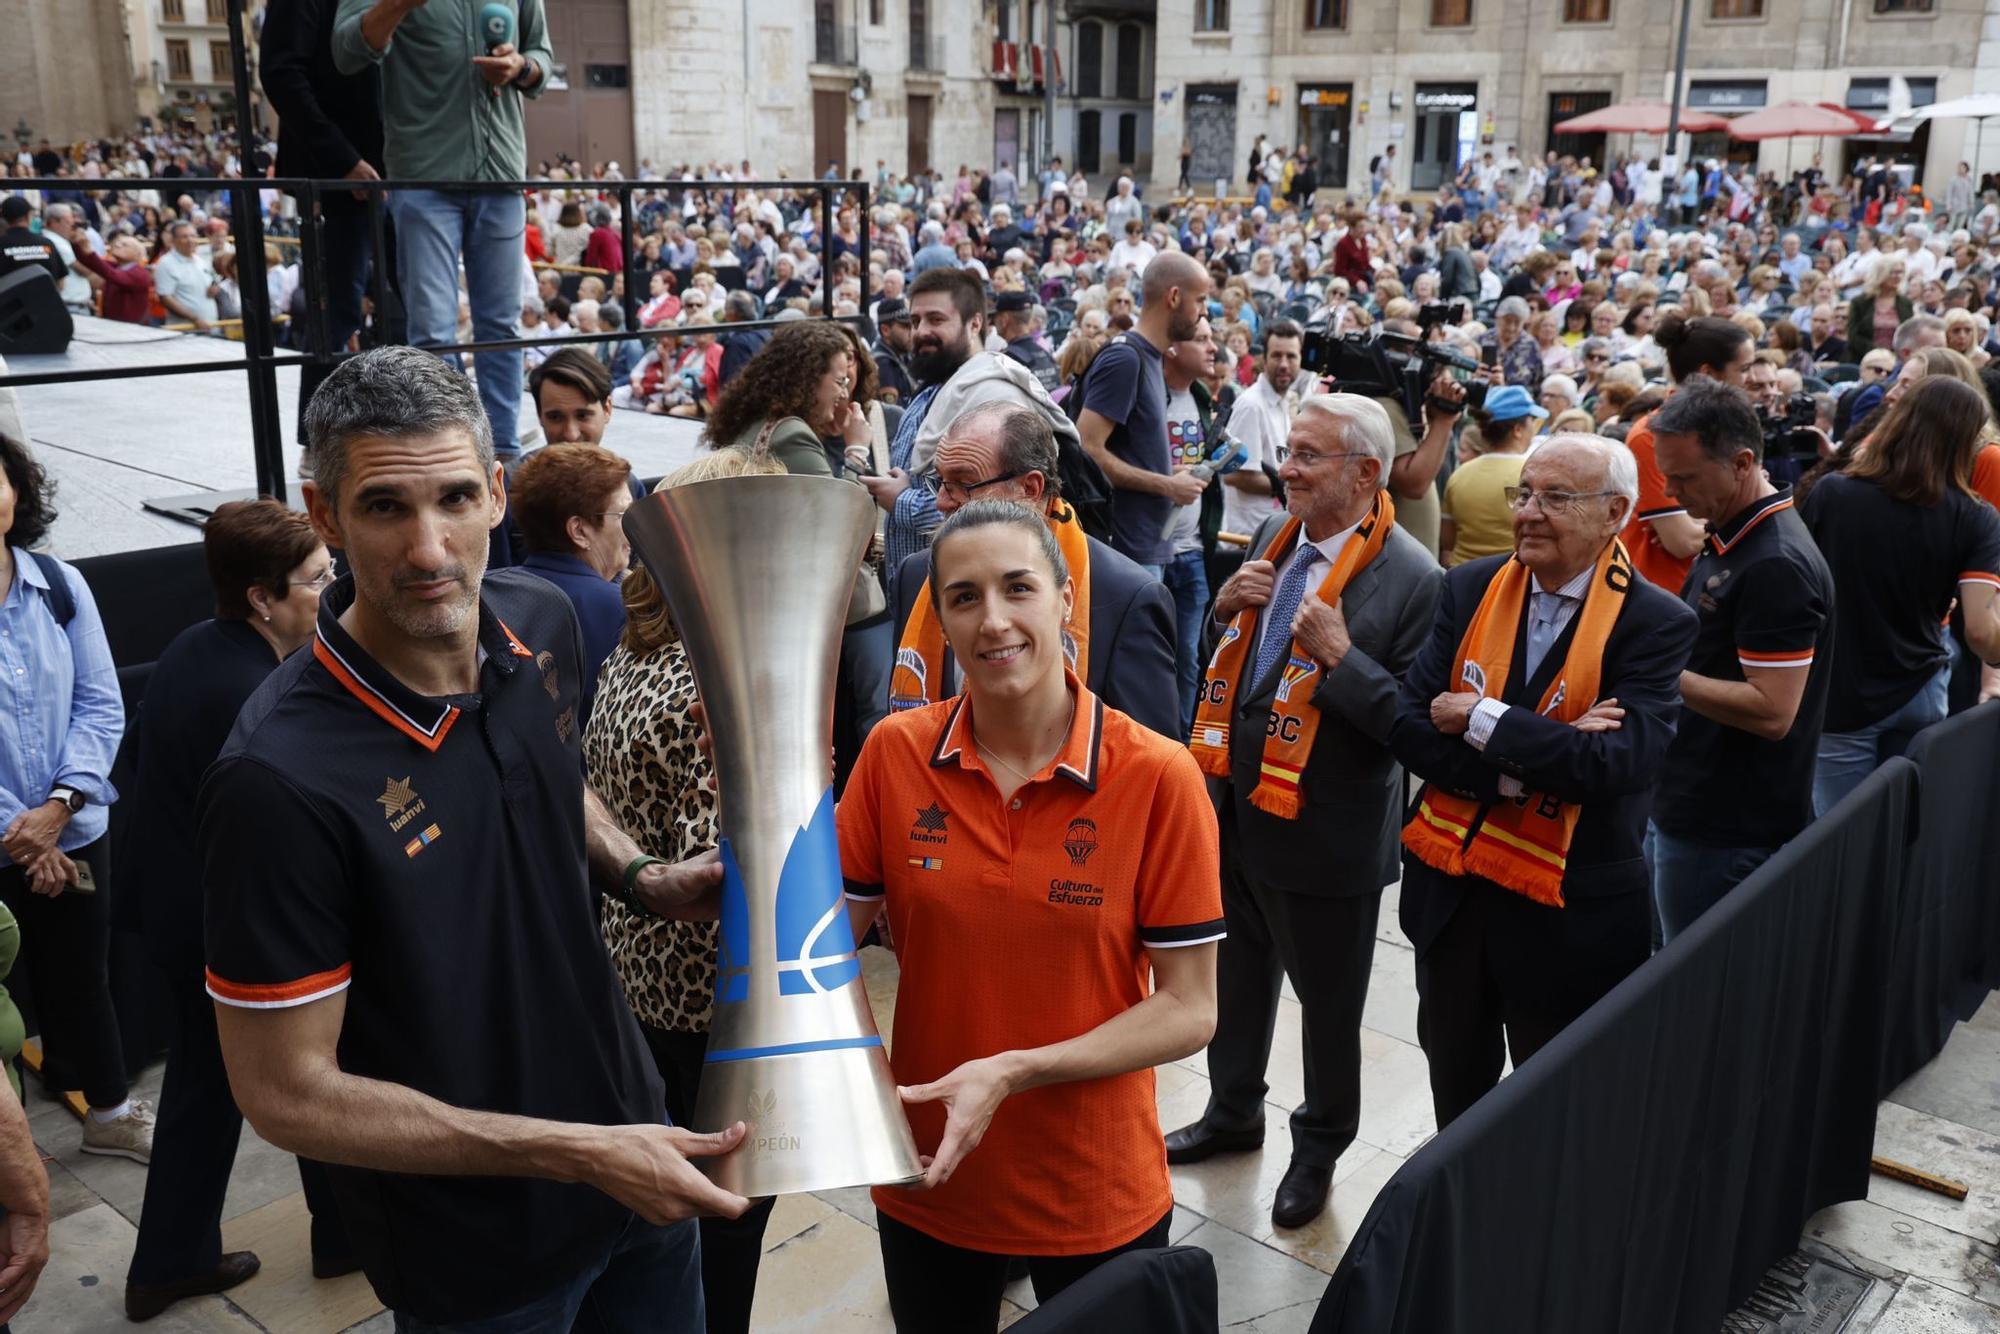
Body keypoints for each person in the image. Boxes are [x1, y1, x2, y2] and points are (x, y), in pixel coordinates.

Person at [200, 347, 749, 1331]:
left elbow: (547, 776)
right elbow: (285, 1091)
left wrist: (643, 874)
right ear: (323, 514)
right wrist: (570, 1148)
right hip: (482, 1252)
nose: (428, 547)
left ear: (496, 492)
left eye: (455, 497)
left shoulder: (537, 620)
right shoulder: (275, 779)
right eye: (383, 507)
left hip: (639, 1155)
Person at [839, 499, 1222, 1332]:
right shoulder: (895, 755)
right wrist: (763, 813)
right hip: (931, 1175)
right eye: (965, 597)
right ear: (938, 617)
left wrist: (1016, 1069)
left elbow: (1191, 1009)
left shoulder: (1158, 777)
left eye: (1018, 587)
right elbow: (816, 944)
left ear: (1064, 599)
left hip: (1094, 1187)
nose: (994, 620)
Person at [1165, 394, 1442, 1229]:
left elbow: (1414, 729)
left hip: (1329, 833)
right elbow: (1241, 669)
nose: (1286, 467)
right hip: (1239, 810)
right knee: (1238, 980)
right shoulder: (1270, 539)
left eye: (1309, 455)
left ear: (1366, 471)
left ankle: (1318, 1146)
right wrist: (1221, 610)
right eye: (1288, 450)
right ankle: (1232, 1112)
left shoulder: (1416, 577)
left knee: (1328, 1009)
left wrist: (1344, 661)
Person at [1393, 434, 1698, 1128]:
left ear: (1616, 512)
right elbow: (1409, 727)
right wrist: (1528, 765)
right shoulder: (1469, 587)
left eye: (1555, 498)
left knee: (1560, 1115)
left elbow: (1616, 766)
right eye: (1524, 493)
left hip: (1570, 918)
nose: (1528, 512)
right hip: (1456, 902)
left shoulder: (1656, 620)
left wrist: (1480, 716)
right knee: (1456, 1100)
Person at [122, 501, 355, 1319]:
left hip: (180, 916)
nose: (332, 593)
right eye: (319, 580)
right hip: (226, 932)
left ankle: (184, 1255)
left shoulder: (195, 650)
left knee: (219, 1087)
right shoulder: (256, 693)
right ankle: (327, 1237)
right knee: (305, 1074)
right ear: (263, 598)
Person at [585, 447, 785, 1334]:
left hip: (640, 976)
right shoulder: (715, 677)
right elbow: (729, 866)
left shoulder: (632, 652)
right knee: (731, 1215)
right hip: (717, 1001)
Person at [0, 431, 152, 1160]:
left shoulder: (58, 584)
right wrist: (20, 831)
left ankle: (110, 1114)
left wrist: (58, 810)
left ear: (17, 492)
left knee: (82, 978)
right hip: (13, 838)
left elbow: (101, 704)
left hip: (75, 824)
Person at [1645, 380, 1835, 942]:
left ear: (1742, 463)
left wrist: (1658, 673)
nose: (1674, 493)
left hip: (1725, 826)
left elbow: (1773, 711)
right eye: (1667, 476)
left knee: (1691, 988)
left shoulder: (1774, 563)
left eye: (1684, 478)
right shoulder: (1734, 532)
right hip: (1693, 804)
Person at [334, 0, 554, 457]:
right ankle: (449, 450)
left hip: (502, 176)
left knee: (501, 327)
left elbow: (542, 62)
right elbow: (347, 51)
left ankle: (505, 451)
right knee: (433, 330)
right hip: (424, 175)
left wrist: (519, 66)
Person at [889, 403, 1178, 739]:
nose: (941, 501)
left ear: (1030, 489)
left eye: (963, 484)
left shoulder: (1125, 597)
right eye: (940, 481)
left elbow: (1152, 763)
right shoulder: (916, 576)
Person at [1799, 377, 2000, 814]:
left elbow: (1801, 591)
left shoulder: (1832, 494)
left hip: (1841, 697)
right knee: (1910, 832)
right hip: (1921, 687)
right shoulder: (1976, 517)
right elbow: (1983, 633)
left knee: (1841, 842)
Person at [260, 0, 384, 450]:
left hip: (399, 167)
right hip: (335, 175)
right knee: (335, 309)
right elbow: (281, 73)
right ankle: (318, 443)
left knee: (400, 306)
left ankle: (406, 430)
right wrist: (343, 160)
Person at [1076, 251, 1212, 573]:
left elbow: (1128, 450)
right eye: (1201, 300)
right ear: (1175, 297)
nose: (1204, 311)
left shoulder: (1150, 358)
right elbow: (1087, 449)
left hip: (1145, 547)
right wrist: (1167, 485)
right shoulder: (1126, 359)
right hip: (1125, 552)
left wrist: (1170, 473)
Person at [1623, 313, 1755, 593]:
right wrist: (1721, 520)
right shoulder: (1650, 435)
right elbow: (1682, 542)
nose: (1751, 379)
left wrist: (1705, 526)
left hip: (1717, 587)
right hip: (1666, 597)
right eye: (1743, 369)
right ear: (1707, 374)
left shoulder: (1736, 425)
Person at [512, 444, 634, 730]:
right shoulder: (622, 609)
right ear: (579, 531)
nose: (634, 525)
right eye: (623, 514)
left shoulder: (492, 591)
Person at [1217, 321, 1300, 574]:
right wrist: (1292, 483)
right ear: (1263, 358)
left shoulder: (1281, 402)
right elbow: (1234, 475)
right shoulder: (1252, 405)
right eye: (1277, 355)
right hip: (1247, 543)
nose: (1284, 363)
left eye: (1291, 356)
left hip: (1269, 538)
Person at [1440, 386, 1545, 567]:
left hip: (1463, 576)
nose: (1534, 428)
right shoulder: (1533, 474)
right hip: (1511, 580)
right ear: (1518, 430)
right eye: (1531, 420)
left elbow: (1447, 541)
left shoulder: (1459, 475)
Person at [155, 220, 222, 331]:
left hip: (210, 325)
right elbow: (165, 298)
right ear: (173, 240)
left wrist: (214, 289)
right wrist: (195, 319)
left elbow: (211, 282)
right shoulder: (166, 263)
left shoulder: (200, 260)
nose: (190, 240)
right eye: (184, 236)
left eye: (192, 235)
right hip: (186, 330)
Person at [1846, 256, 1915, 360]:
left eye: (1900, 272)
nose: (1898, 277)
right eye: (1893, 272)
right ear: (1881, 274)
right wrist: (1876, 353)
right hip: (1863, 358)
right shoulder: (1860, 302)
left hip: (1896, 360)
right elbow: (1853, 335)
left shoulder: (1906, 304)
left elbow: (1909, 334)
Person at [995, 290, 1060, 394]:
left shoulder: (1005, 361)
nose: (992, 322)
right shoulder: (1046, 355)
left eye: (995, 317)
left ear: (1004, 320)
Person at [0, 198, 62, 287]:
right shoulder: (46, 243)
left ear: (4, 218)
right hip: (46, 299)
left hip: (9, 300)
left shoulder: (2, 244)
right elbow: (60, 283)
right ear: (27, 216)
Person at [872, 295, 918, 404]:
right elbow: (893, 413)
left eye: (913, 326)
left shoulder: (903, 355)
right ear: (885, 330)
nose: (912, 332)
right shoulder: (883, 363)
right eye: (906, 326)